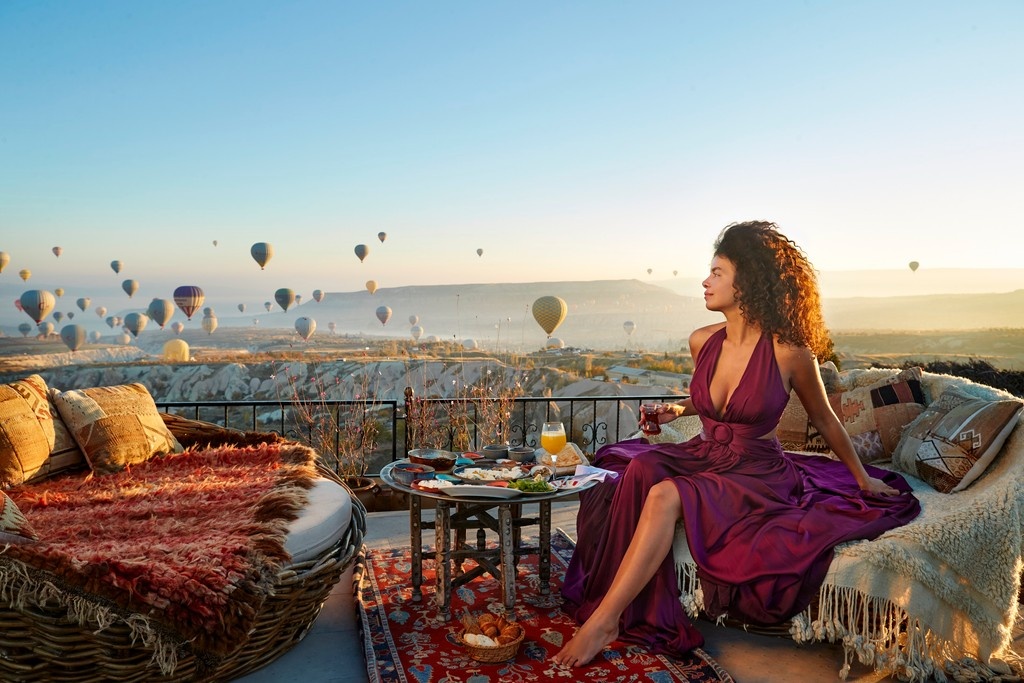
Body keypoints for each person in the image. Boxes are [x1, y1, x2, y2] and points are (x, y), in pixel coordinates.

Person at [553, 221, 921, 668]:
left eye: (716, 272)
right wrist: (680, 412)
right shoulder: (702, 340)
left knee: (666, 493)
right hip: (708, 452)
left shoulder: (790, 352)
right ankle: (625, 597)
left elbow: (824, 419)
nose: (705, 282)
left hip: (756, 471)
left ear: (746, 282)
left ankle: (606, 620)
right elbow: (713, 399)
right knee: (639, 469)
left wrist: (861, 479)